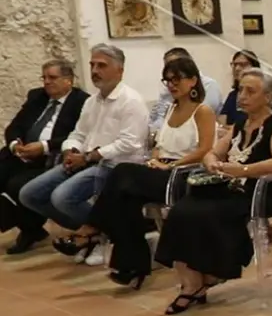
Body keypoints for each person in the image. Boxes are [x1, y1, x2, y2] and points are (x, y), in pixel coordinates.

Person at [52, 56, 216, 287]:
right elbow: (159, 145)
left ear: (193, 81)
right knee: (124, 200)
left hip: (185, 175)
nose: (171, 85)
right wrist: (155, 160)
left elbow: (205, 149)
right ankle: (131, 266)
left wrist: (171, 165)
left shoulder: (203, 111)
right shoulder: (170, 109)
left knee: (121, 171)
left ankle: (91, 229)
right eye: (167, 80)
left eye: (177, 79)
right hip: (162, 170)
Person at [153, 68, 272, 315]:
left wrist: (243, 170)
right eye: (240, 89)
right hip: (228, 187)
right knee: (180, 212)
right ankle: (193, 280)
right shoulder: (240, 123)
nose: (242, 96)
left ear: (268, 96)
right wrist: (211, 162)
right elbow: (213, 152)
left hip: (258, 192)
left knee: (207, 213)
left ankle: (207, 277)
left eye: (250, 91)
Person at [19, 44, 147, 249]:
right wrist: (71, 150)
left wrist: (88, 157)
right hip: (85, 160)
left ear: (119, 70)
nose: (95, 71)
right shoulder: (92, 102)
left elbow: (130, 143)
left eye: (102, 65)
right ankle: (91, 230)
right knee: (29, 194)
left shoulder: (130, 101)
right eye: (92, 65)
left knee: (62, 197)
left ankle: (101, 234)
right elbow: (77, 134)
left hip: (114, 166)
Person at [1, 59, 88, 254]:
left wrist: (44, 147)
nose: (47, 82)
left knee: (16, 185)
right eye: (44, 77)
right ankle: (32, 229)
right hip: (20, 153)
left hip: (50, 158)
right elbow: (15, 126)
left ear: (68, 80)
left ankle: (30, 229)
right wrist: (16, 145)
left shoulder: (81, 102)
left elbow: (77, 135)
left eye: (53, 77)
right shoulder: (37, 97)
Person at [148, 47, 222, 132]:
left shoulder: (209, 89)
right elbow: (156, 118)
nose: (170, 84)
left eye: (176, 77)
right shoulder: (169, 96)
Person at [218, 50, 259, 130]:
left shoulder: (259, 94)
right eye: (234, 65)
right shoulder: (232, 95)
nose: (237, 68)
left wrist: (231, 129)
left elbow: (255, 124)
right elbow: (221, 121)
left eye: (242, 65)